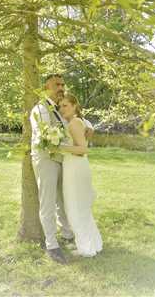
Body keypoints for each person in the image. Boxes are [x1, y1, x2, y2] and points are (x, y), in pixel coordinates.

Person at [30, 74, 93, 264]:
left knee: (63, 199)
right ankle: (51, 245)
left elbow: (73, 122)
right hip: (46, 158)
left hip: (64, 159)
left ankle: (67, 234)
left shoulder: (60, 108)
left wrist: (89, 126)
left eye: (63, 84)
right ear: (46, 87)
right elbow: (44, 138)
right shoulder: (40, 109)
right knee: (48, 200)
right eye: (57, 84)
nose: (61, 87)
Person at [58, 93, 103, 257]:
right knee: (80, 206)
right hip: (75, 167)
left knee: (75, 207)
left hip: (75, 168)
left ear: (75, 106)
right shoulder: (78, 121)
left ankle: (86, 248)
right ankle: (92, 243)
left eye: (65, 106)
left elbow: (83, 150)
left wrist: (59, 147)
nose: (62, 109)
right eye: (60, 106)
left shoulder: (75, 123)